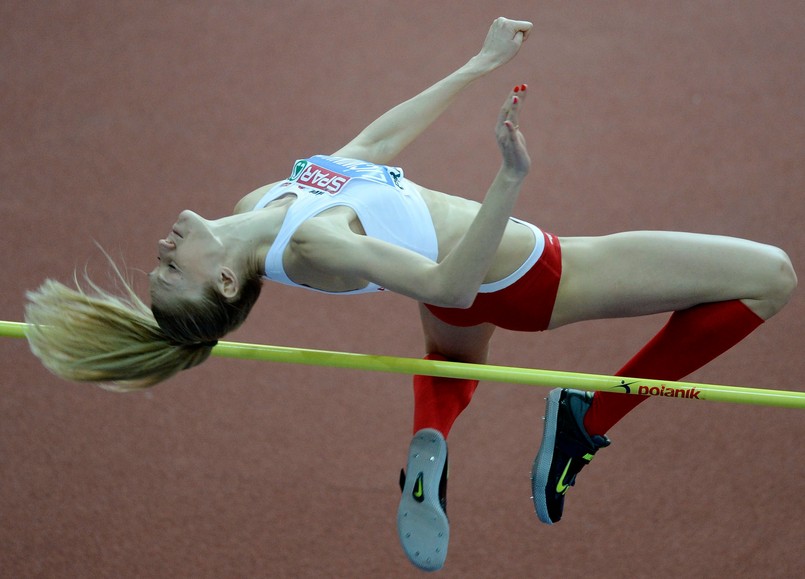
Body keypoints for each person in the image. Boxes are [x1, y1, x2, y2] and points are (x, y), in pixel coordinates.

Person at [24, 17, 796, 572]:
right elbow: (448, 279)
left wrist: (474, 65)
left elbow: (369, 148)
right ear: (224, 279)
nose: (160, 251)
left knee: (451, 353)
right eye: (171, 270)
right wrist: (508, 177)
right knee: (768, 276)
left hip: (462, 290)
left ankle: (431, 438)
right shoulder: (311, 243)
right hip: (528, 274)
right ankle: (586, 416)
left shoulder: (261, 202)